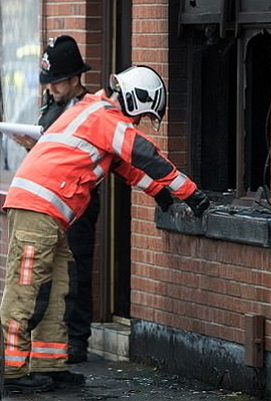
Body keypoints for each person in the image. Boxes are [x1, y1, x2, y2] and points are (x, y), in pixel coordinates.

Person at [0, 65, 209, 393]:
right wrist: (191, 193)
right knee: (26, 290)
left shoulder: (94, 114)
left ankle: (48, 366)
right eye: (140, 116)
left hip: (47, 214)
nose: (136, 124)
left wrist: (163, 197)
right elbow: (142, 153)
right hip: (36, 211)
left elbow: (128, 168)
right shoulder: (103, 117)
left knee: (58, 290)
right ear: (134, 99)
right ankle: (11, 371)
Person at [24, 35, 98, 365]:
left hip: (78, 202)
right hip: (49, 203)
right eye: (48, 83)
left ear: (74, 78)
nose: (51, 89)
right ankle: (51, 343)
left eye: (56, 83)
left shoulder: (91, 110)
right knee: (50, 274)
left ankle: (78, 341)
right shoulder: (51, 107)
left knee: (78, 270)